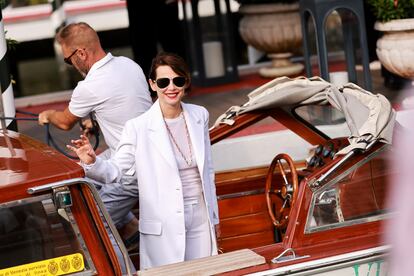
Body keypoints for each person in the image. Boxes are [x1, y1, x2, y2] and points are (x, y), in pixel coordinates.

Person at [68, 52, 219, 269]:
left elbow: (208, 171)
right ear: (152, 84)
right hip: (163, 223)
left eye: (178, 80)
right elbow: (115, 172)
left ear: (186, 82)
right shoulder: (138, 126)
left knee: (205, 272)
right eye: (163, 82)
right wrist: (92, 162)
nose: (171, 87)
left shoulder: (199, 115)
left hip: (200, 217)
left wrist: (214, 218)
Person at [38, 22, 152, 247]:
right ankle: (130, 228)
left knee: (93, 224)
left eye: (68, 59)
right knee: (78, 178)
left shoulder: (89, 85)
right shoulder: (128, 64)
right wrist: (95, 122)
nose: (70, 65)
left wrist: (47, 114)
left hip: (133, 167)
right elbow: (127, 108)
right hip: (145, 153)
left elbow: (64, 122)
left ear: (80, 53)